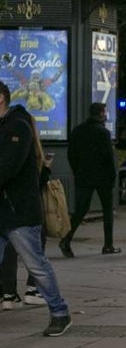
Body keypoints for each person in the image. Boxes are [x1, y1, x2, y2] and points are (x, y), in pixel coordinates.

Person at [0, 82, 71, 335]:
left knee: (36, 265)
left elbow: (7, 167)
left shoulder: (17, 127)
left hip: (18, 212)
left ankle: (60, 313)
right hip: (4, 211)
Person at [60, 102, 120, 256]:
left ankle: (66, 238)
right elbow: (108, 158)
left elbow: (71, 154)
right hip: (103, 177)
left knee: (80, 210)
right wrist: (112, 176)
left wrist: (77, 170)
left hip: (83, 176)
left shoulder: (78, 131)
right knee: (107, 210)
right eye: (105, 113)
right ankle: (108, 245)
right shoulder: (103, 133)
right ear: (101, 114)